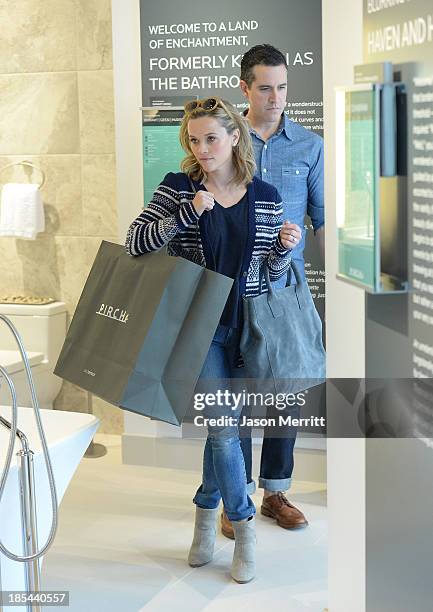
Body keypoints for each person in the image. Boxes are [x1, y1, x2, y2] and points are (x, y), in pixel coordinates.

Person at [125, 96, 302, 583]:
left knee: (220, 429)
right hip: (199, 328)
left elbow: (268, 275)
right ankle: (244, 529)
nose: (202, 149)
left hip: (247, 329)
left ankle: (204, 524)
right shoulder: (177, 188)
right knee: (225, 429)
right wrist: (185, 214)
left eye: (211, 138)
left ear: (233, 138)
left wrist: (284, 253)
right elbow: (135, 245)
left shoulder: (264, 195)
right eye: (194, 140)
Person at [220, 44, 325, 540]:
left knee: (287, 392)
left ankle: (276, 490)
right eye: (265, 87)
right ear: (245, 87)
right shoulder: (220, 140)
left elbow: (323, 222)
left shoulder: (310, 146)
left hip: (286, 289)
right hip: (231, 289)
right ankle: (234, 495)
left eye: (282, 87)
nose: (276, 97)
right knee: (235, 395)